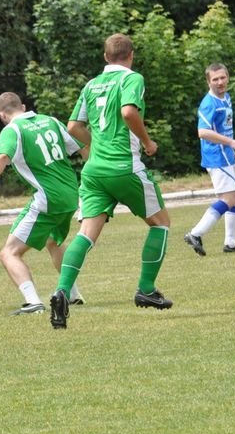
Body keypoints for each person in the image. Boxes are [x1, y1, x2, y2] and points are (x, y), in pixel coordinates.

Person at [49, 33, 172, 329]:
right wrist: (147, 142)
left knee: (86, 234)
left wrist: (95, 149)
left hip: (93, 171)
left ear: (106, 57)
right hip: (124, 167)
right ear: (131, 55)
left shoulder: (91, 85)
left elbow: (73, 126)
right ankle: (146, 289)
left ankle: (61, 292)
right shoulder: (132, 78)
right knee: (161, 223)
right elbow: (128, 112)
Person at [0, 92, 87, 314]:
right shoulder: (50, 121)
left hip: (48, 198)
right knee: (53, 241)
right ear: (24, 106)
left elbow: (1, 157)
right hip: (70, 195)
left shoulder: (13, 130)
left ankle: (33, 302)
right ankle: (72, 294)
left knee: (9, 253)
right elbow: (82, 146)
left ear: (1, 115)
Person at [184, 62, 235, 255]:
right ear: (208, 82)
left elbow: (223, 127)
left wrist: (231, 149)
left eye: (222, 78)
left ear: (228, 77)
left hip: (226, 155)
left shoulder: (226, 97)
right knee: (229, 198)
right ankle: (195, 234)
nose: (220, 82)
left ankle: (230, 243)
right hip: (216, 157)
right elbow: (203, 132)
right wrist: (231, 143)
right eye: (215, 79)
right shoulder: (209, 103)